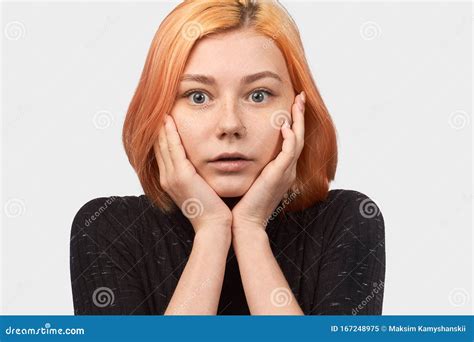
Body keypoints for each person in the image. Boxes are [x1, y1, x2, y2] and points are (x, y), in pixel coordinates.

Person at [70, 0, 385, 315]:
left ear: (298, 109)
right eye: (198, 96)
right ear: (158, 111)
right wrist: (211, 230)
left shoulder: (347, 221)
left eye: (258, 95)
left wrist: (250, 230)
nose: (230, 125)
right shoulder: (108, 227)